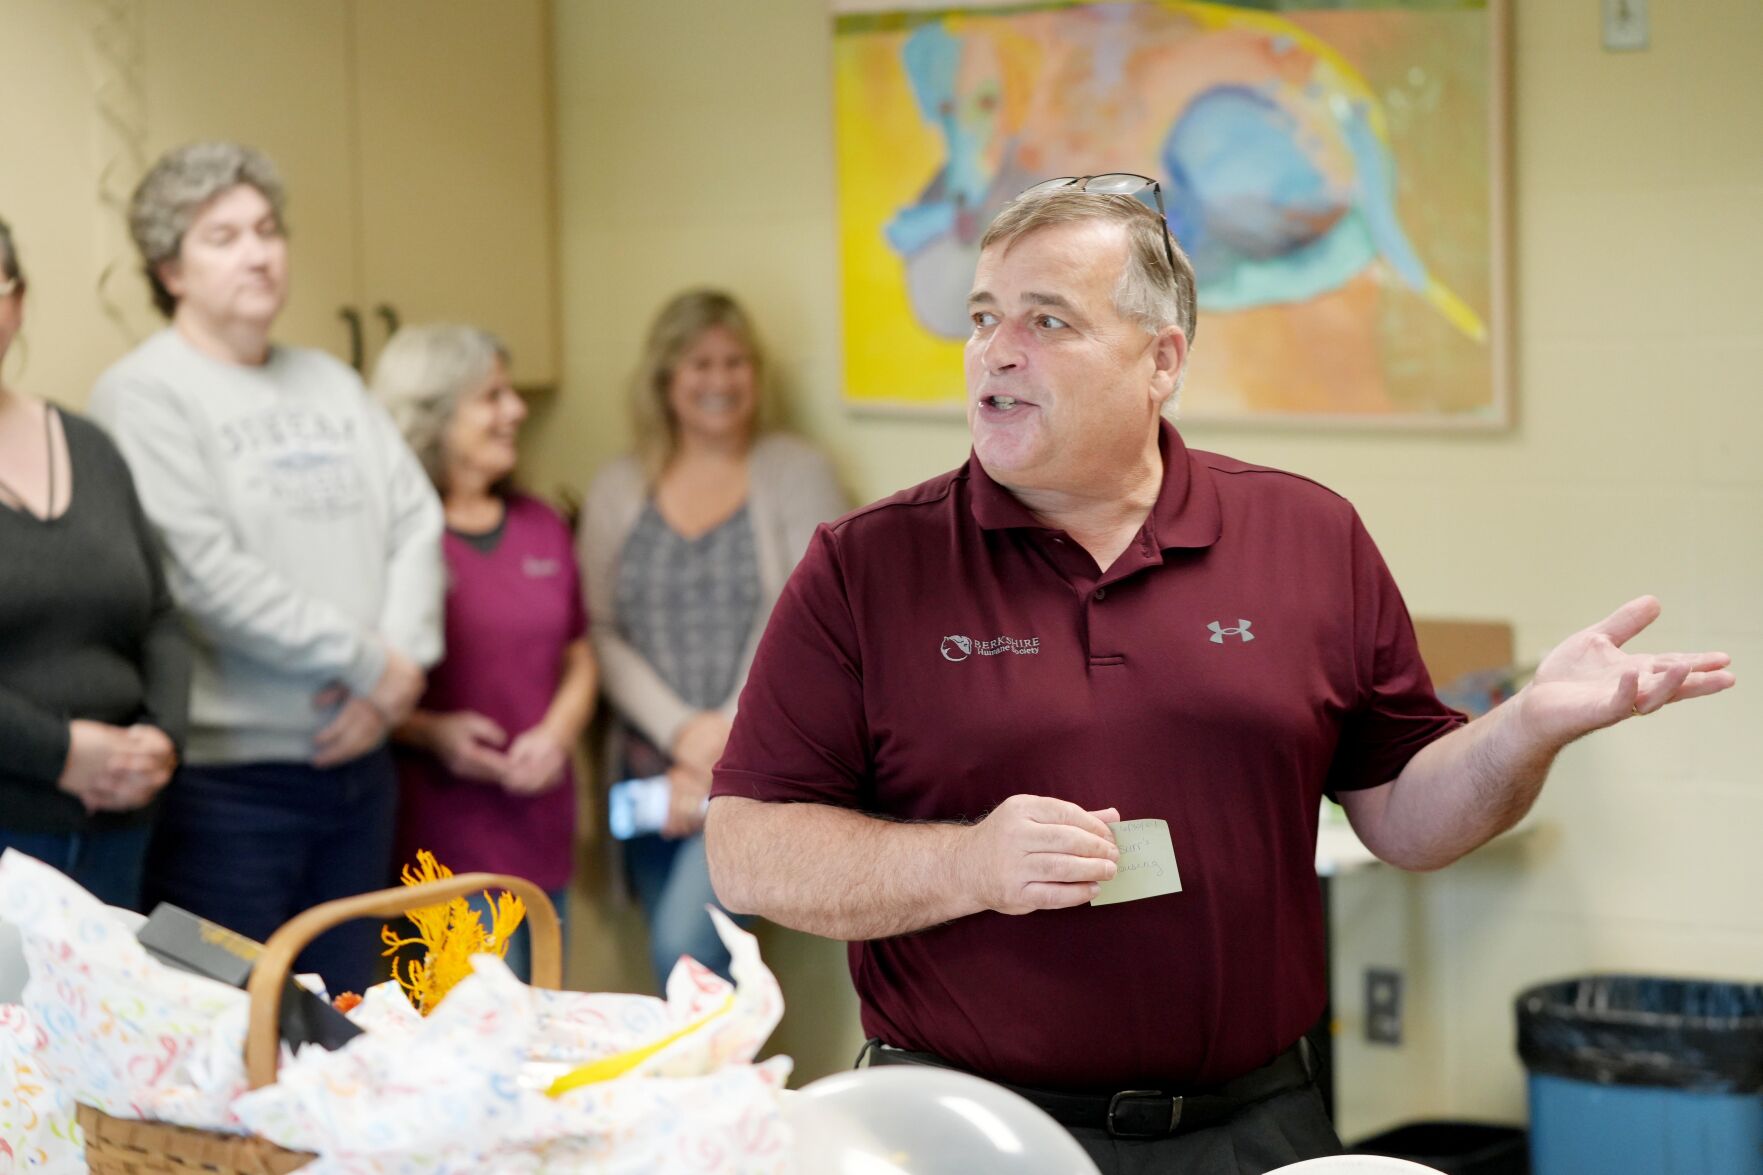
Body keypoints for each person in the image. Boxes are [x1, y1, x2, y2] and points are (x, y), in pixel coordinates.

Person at [703, 177, 1736, 1174]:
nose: (994, 353)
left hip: (1251, 1127)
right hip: (963, 1125)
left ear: (1160, 359)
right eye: (983, 316)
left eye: (1046, 321)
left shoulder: (1306, 535)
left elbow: (1402, 818)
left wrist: (1523, 731)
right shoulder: (866, 564)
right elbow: (746, 850)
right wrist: (969, 864)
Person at [88, 143, 444, 995]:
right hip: (229, 793)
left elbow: (417, 520)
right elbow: (205, 576)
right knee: (232, 1041)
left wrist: (397, 678)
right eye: (223, 236)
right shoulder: (143, 395)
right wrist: (371, 663)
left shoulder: (327, 377)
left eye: (267, 229)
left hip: (361, 771)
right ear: (169, 266)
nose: (257, 251)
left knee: (350, 1026)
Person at [579, 289, 846, 987]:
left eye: (736, 363)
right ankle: (717, 1096)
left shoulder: (795, 470)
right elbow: (600, 627)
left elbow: (809, 619)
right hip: (650, 771)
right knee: (688, 974)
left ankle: (731, 1094)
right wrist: (680, 735)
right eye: (700, 363)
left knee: (686, 955)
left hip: (758, 767)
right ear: (665, 378)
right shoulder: (618, 485)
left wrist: (724, 737)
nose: (720, 381)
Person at [372, 324, 596, 981]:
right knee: (465, 1053)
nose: (516, 410)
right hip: (440, 844)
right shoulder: (398, 539)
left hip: (540, 827)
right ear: (434, 418)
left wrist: (556, 735)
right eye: (492, 396)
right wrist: (430, 731)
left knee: (538, 1035)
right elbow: (364, 682)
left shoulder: (540, 524)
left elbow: (581, 655)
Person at [0, 217, 189, 910]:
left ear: (17, 301)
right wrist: (61, 754)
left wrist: (160, 738)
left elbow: (162, 617)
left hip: (123, 826)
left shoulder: (90, 446)